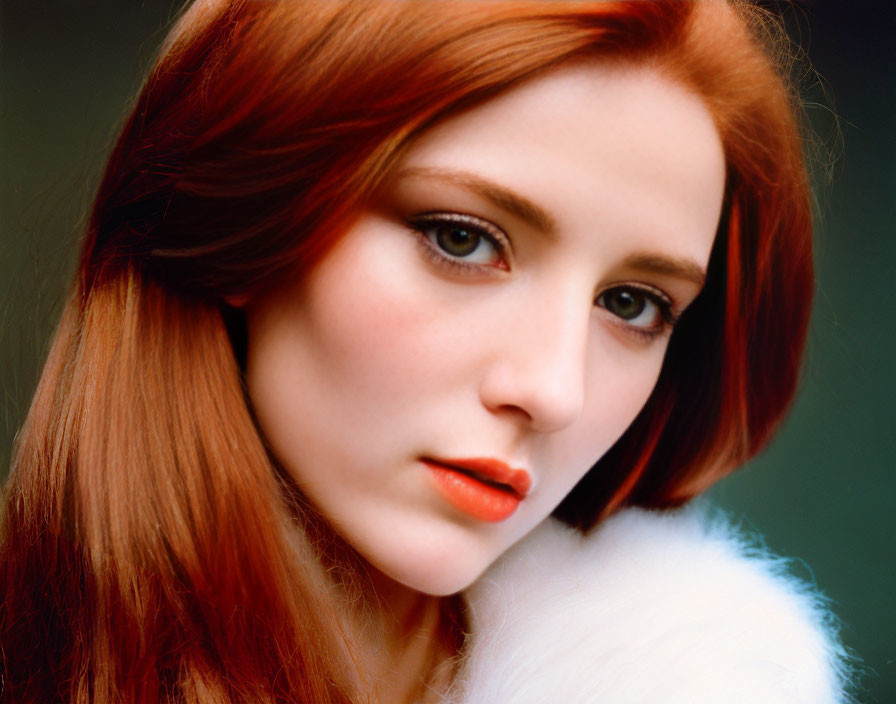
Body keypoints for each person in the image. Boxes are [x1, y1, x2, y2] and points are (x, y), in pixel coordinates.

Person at [0, 1, 852, 702]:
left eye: (633, 304)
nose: (552, 390)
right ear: (240, 215)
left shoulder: (699, 676)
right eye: (463, 239)